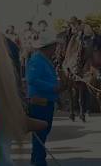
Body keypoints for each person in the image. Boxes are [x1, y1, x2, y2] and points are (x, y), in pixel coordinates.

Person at [26, 31, 65, 166]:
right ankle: (39, 161)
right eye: (54, 46)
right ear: (48, 47)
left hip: (46, 101)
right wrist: (52, 88)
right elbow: (32, 79)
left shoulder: (44, 59)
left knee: (43, 132)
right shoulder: (37, 60)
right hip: (39, 102)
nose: (56, 48)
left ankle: (36, 159)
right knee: (40, 133)